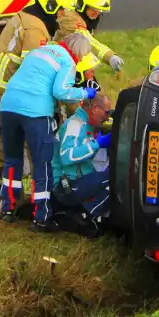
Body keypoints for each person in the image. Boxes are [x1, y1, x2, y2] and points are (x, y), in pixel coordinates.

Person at [0, 0, 77, 190]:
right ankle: (26, 183)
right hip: (6, 85)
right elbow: (34, 70)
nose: (62, 16)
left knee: (3, 134)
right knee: (20, 136)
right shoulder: (36, 30)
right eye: (61, 11)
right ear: (50, 6)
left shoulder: (27, 16)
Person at [0, 32, 96, 231]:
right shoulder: (67, 61)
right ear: (78, 52)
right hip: (35, 112)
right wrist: (85, 92)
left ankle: (7, 209)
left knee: (12, 159)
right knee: (43, 162)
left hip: (8, 106)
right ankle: (41, 217)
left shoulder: (39, 50)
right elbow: (61, 91)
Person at [51, 92, 115, 236]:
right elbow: (66, 157)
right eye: (106, 112)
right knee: (115, 178)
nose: (107, 117)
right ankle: (84, 216)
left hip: (77, 180)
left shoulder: (86, 124)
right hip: (65, 186)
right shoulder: (75, 125)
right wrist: (97, 144)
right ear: (94, 109)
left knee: (112, 174)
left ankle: (85, 212)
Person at [55, 0, 124, 75]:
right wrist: (109, 56)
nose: (96, 13)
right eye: (93, 8)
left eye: (99, 10)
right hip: (58, 66)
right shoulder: (70, 19)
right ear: (81, 5)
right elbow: (88, 42)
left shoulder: (84, 20)